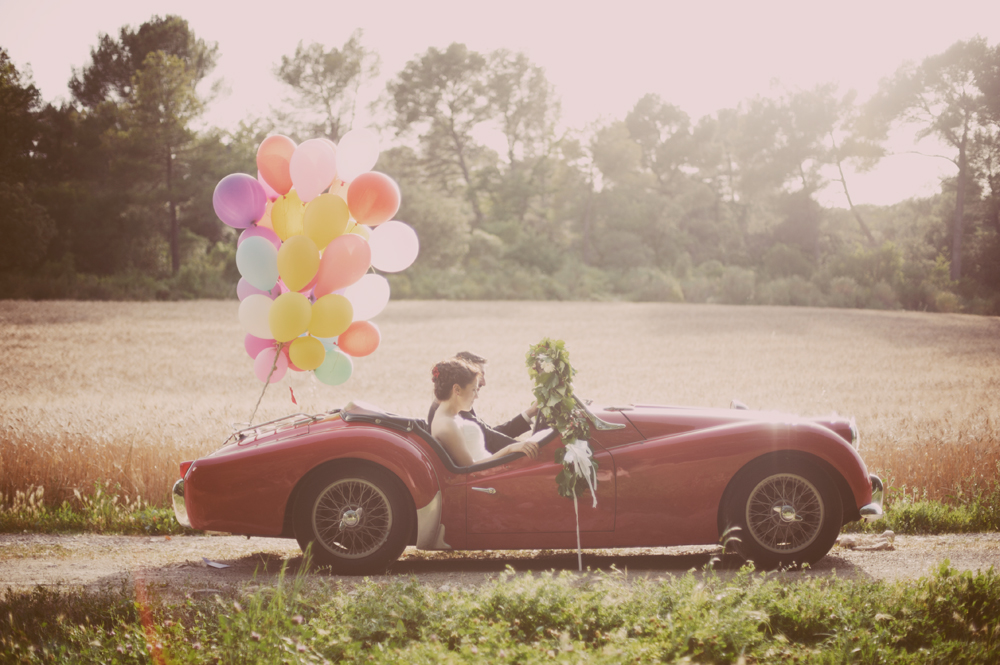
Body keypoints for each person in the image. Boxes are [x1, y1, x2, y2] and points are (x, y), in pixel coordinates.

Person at [430, 358, 539, 467]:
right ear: (457, 390)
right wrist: (510, 449)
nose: (476, 396)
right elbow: (470, 468)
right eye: (473, 390)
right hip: (484, 478)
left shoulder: (450, 415)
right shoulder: (447, 424)